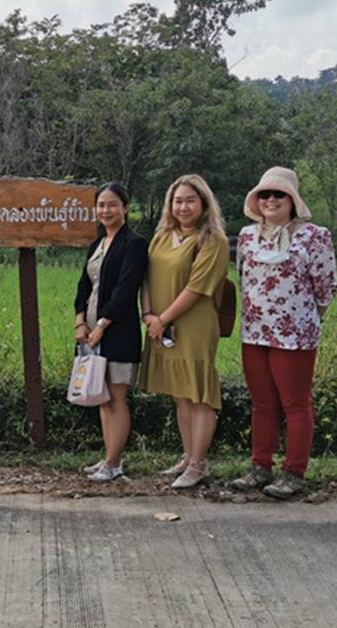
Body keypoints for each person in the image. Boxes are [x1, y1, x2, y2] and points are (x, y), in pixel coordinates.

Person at [228, 167, 337, 499]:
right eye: (265, 194)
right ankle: (260, 466)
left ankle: (294, 472)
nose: (271, 200)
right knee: (262, 403)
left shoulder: (314, 236)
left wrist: (304, 317)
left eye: (279, 194)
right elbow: (242, 279)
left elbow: (327, 287)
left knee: (295, 404)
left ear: (293, 199)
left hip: (294, 334)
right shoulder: (247, 236)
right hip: (255, 332)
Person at [138, 174, 229, 489]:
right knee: (181, 395)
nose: (183, 206)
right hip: (160, 324)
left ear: (203, 203)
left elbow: (197, 288)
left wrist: (163, 318)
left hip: (194, 325)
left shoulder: (212, 240)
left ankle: (199, 464)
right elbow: (146, 277)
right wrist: (149, 314)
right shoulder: (163, 235)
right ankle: (188, 455)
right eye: (178, 200)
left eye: (190, 200)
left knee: (199, 395)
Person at [74, 183, 148, 482]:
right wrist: (81, 322)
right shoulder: (97, 244)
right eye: (101, 205)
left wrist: (102, 325)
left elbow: (125, 290)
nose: (106, 210)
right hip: (90, 330)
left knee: (116, 397)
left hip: (118, 331)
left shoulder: (134, 243)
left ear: (126, 208)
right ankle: (108, 457)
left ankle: (114, 463)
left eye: (113, 204)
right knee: (101, 396)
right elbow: (83, 286)